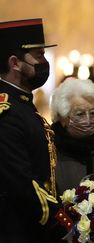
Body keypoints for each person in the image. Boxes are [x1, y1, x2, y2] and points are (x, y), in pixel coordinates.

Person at [0, 18, 70, 241]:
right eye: (38, 55)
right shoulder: (7, 113)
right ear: (15, 63)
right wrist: (62, 221)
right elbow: (22, 183)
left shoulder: (22, 105)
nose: (44, 62)